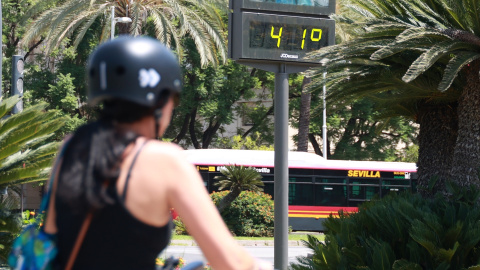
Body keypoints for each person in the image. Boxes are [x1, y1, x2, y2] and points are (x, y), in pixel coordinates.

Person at [43, 36, 273, 270]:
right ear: (160, 99)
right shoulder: (165, 160)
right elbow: (231, 262)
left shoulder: (72, 146)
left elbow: (51, 232)